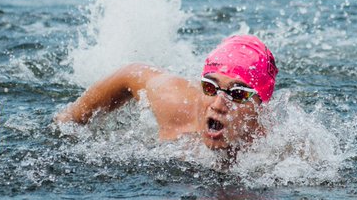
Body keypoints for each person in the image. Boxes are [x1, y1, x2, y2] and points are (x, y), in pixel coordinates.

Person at [55, 35, 278, 154]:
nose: (219, 104)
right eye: (210, 87)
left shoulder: (275, 150)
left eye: (237, 94)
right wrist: (71, 119)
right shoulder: (175, 106)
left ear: (261, 105)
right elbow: (132, 72)